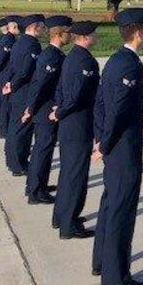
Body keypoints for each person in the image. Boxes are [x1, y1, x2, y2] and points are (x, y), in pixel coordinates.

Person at [91, 8, 143, 285]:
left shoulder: (115, 60)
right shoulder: (130, 64)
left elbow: (101, 103)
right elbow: (118, 110)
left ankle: (102, 263)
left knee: (110, 204)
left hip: (112, 144)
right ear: (138, 32)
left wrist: (101, 138)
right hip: (123, 148)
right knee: (121, 211)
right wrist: (106, 143)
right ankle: (116, 277)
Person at [51, 21, 99, 239]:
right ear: (85, 37)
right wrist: (60, 111)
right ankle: (69, 225)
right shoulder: (86, 61)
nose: (96, 38)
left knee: (67, 172)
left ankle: (61, 215)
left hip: (68, 124)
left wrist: (58, 108)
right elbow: (77, 96)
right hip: (78, 124)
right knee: (76, 175)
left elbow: (61, 88)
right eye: (93, 35)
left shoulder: (70, 56)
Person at [24, 15, 73, 205]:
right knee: (42, 151)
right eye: (68, 32)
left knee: (43, 150)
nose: (71, 36)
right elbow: (39, 85)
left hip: (45, 109)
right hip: (45, 111)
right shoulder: (51, 56)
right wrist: (30, 108)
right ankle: (35, 192)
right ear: (59, 34)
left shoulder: (56, 54)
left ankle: (38, 184)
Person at [3, 14, 45, 176]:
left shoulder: (20, 41)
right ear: (34, 27)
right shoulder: (32, 45)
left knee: (15, 127)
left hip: (17, 90)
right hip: (24, 91)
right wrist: (12, 85)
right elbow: (25, 71)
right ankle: (19, 164)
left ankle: (12, 161)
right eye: (42, 26)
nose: (44, 29)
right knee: (22, 129)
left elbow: (13, 66)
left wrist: (10, 82)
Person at [0, 17, 21, 138]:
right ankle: (5, 130)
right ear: (13, 28)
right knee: (6, 104)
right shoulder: (9, 39)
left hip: (8, 73)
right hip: (6, 74)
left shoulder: (13, 38)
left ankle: (5, 129)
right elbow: (2, 56)